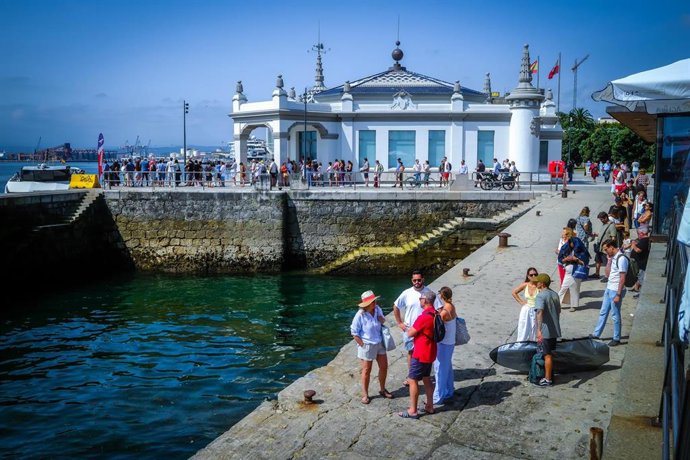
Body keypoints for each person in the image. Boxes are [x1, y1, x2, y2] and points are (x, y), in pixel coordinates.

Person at [393, 270, 440, 385]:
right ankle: (411, 376)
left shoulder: (428, 292)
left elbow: (439, 309)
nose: (417, 282)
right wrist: (399, 323)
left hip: (425, 331)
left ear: (423, 279)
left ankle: (423, 375)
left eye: (419, 280)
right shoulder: (406, 293)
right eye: (414, 280)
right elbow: (395, 306)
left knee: (424, 353)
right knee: (411, 352)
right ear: (411, 280)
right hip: (410, 328)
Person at [399, 290, 438, 419]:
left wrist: (406, 327)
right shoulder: (435, 313)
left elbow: (410, 333)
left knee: (413, 380)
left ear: (425, 300)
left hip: (420, 352)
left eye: (421, 298)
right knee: (427, 379)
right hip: (431, 351)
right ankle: (430, 406)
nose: (420, 300)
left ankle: (413, 410)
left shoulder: (424, 317)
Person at [350, 290, 393, 404]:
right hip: (367, 345)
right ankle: (365, 394)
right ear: (367, 304)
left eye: (375, 300)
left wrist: (380, 318)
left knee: (384, 367)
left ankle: (382, 390)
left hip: (379, 342)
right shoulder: (360, 315)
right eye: (373, 301)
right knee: (366, 370)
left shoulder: (377, 309)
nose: (375, 303)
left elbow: (383, 320)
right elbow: (354, 332)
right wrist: (362, 345)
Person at [591, 239, 628, 346]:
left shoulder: (621, 259)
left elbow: (622, 278)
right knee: (603, 311)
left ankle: (616, 338)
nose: (606, 252)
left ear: (612, 247)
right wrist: (608, 260)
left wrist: (618, 294)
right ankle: (596, 333)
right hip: (609, 287)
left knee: (615, 314)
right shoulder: (613, 258)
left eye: (606, 249)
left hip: (616, 290)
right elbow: (607, 274)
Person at [534, 274, 562, 386]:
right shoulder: (555, 294)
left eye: (538, 282)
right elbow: (559, 311)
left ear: (542, 284)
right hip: (554, 329)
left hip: (546, 331)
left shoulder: (541, 296)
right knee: (549, 353)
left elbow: (540, 312)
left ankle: (548, 379)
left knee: (547, 355)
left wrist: (539, 330)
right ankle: (549, 374)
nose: (536, 283)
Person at [432, 286, 457, 404]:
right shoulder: (451, 306)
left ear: (441, 296)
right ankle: (449, 390)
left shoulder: (444, 312)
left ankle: (438, 397)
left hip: (444, 343)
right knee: (447, 367)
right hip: (450, 342)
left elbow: (438, 322)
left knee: (439, 369)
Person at [557, 228, 588, 312]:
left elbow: (584, 262)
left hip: (577, 270)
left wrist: (575, 259)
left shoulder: (580, 250)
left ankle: (573, 305)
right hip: (568, 270)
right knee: (563, 287)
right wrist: (566, 259)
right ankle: (557, 304)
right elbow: (561, 259)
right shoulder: (566, 248)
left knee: (575, 288)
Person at [511, 267, 539, 341]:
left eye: (535, 274)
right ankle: (521, 343)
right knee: (523, 327)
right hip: (526, 310)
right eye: (531, 275)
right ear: (528, 276)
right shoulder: (525, 285)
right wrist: (521, 302)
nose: (533, 276)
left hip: (536, 310)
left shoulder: (539, 286)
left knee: (534, 328)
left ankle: (533, 344)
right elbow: (514, 292)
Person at [630, 230, 651, 296]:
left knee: (641, 278)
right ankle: (635, 287)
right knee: (639, 276)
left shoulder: (645, 240)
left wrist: (633, 244)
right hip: (640, 262)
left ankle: (640, 293)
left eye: (638, 233)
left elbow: (638, 250)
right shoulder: (643, 240)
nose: (638, 235)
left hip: (642, 263)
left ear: (642, 233)